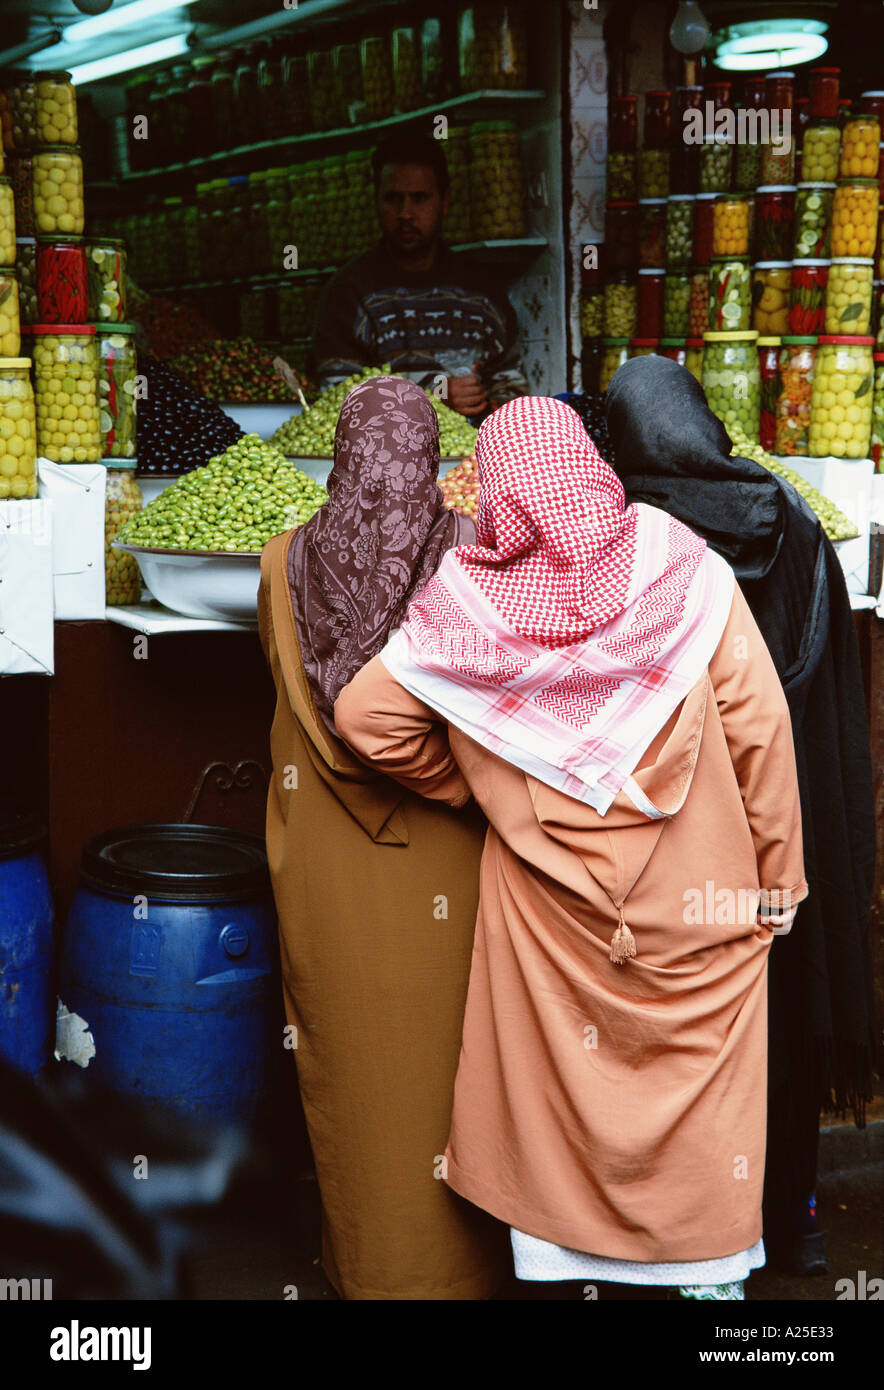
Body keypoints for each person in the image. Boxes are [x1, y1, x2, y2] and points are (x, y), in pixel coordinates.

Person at [335, 394, 807, 1300]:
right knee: (700, 1101)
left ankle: (568, 1272)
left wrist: (484, 780)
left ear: (499, 494)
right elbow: (760, 728)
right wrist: (778, 877)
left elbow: (365, 718)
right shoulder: (680, 567)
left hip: (550, 915)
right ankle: (707, 1282)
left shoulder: (465, 607)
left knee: (561, 1097)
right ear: (592, 467)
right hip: (699, 908)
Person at [603, 355, 877, 1275]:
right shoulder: (791, 514)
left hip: (693, 831)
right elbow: (825, 665)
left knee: (705, 1032)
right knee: (791, 997)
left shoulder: (636, 530)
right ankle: (793, 1210)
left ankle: (707, 1237)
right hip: (799, 802)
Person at [256, 375, 510, 1300]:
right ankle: (462, 1277)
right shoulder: (469, 568)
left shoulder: (281, 561)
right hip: (447, 863)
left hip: (329, 870)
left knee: (359, 1079)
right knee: (448, 1078)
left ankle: (369, 1269)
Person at [312, 130, 528, 418]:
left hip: (473, 458)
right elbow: (334, 400)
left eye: (420, 198)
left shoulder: (481, 293)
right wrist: (430, 400)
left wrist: (490, 406)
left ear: (445, 202)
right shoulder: (349, 294)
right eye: (393, 199)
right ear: (376, 201)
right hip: (386, 459)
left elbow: (513, 388)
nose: (405, 213)